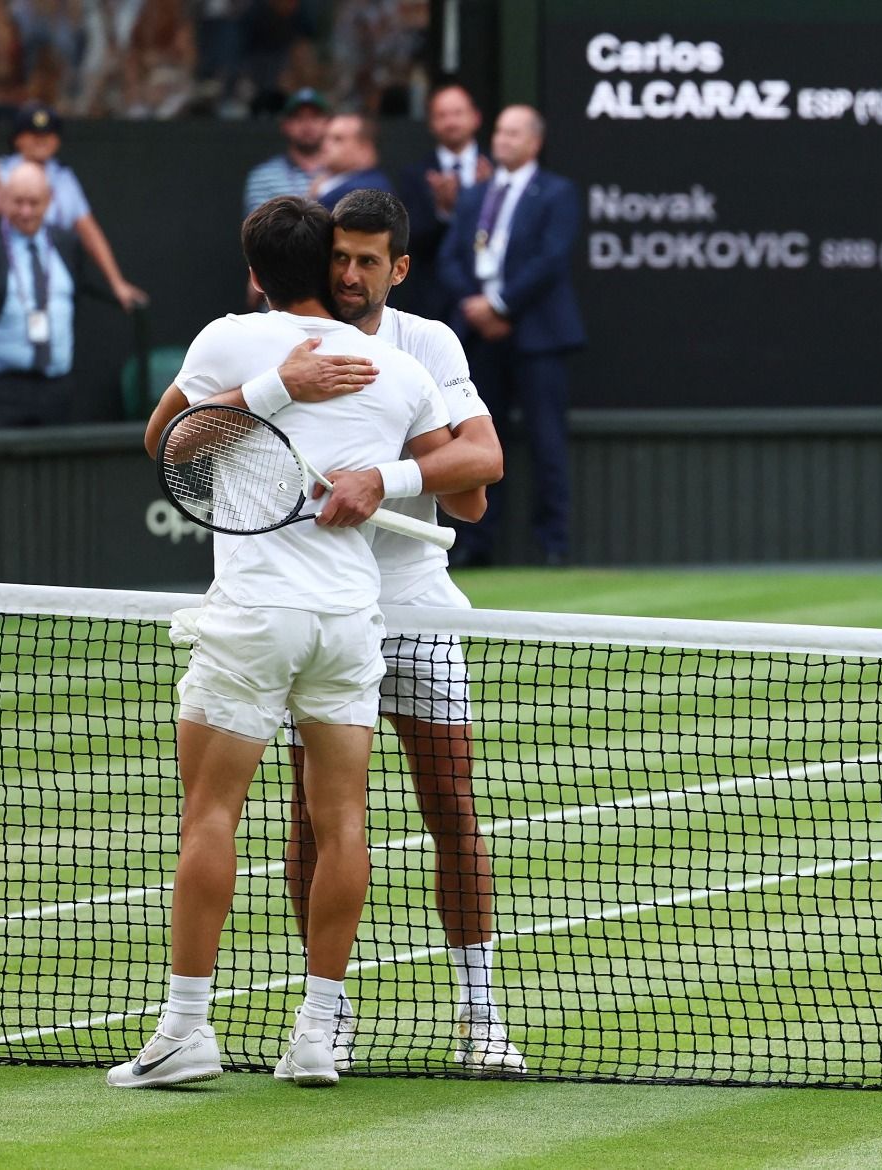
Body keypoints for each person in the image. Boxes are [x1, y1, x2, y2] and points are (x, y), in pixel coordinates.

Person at [110, 195, 464, 1090]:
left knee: (211, 816)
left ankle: (187, 1031)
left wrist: (270, 393)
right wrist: (383, 471)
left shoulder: (226, 339)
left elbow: (164, 446)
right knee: (345, 824)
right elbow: (469, 489)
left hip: (255, 619)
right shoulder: (395, 367)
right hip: (349, 625)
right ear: (331, 267)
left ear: (257, 274)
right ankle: (315, 1034)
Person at [282, 187, 522, 1072]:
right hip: (324, 607)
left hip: (414, 604)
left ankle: (482, 1014)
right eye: (338, 258)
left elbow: (481, 466)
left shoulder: (428, 342)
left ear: (400, 267)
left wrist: (384, 478)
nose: (349, 275)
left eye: (367, 261)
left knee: (450, 804)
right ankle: (325, 1013)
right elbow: (458, 475)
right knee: (314, 817)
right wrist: (433, 467)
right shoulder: (291, 344)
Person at [439, 105, 586, 566]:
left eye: (514, 133)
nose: (502, 140)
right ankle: (477, 545)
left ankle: (553, 544)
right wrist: (476, 304)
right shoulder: (474, 194)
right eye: (499, 131)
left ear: (535, 142)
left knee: (546, 440)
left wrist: (502, 305)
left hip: (537, 335)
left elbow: (551, 258)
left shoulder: (558, 193)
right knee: (477, 440)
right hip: (479, 337)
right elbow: (450, 257)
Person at [0, 163, 112, 429]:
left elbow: (72, 305)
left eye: (34, 203)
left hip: (55, 388)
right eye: (18, 202)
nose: (26, 212)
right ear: (3, 199)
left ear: (49, 201)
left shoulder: (66, 242)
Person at [0, 103, 147, 310]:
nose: (41, 139)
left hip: (51, 273)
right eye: (32, 133)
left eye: (48, 133)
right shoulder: (0, 171)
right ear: (17, 139)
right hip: (7, 272)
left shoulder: (64, 179)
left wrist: (116, 281)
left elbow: (89, 230)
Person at [396, 83, 490, 321]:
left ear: (476, 117)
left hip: (489, 300)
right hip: (434, 301)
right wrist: (444, 212)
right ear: (431, 123)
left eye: (458, 113)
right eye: (442, 115)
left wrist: (487, 197)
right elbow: (409, 239)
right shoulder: (415, 175)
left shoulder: (495, 170)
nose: (451, 122)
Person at [242, 87, 329, 216]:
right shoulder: (264, 177)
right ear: (285, 125)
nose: (308, 125)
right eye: (299, 118)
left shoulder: (344, 173)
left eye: (315, 117)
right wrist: (315, 197)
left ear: (328, 123)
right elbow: (260, 232)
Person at [310, 113, 392, 211]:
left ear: (364, 149)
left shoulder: (367, 192)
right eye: (324, 138)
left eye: (338, 139)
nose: (325, 146)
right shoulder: (329, 182)